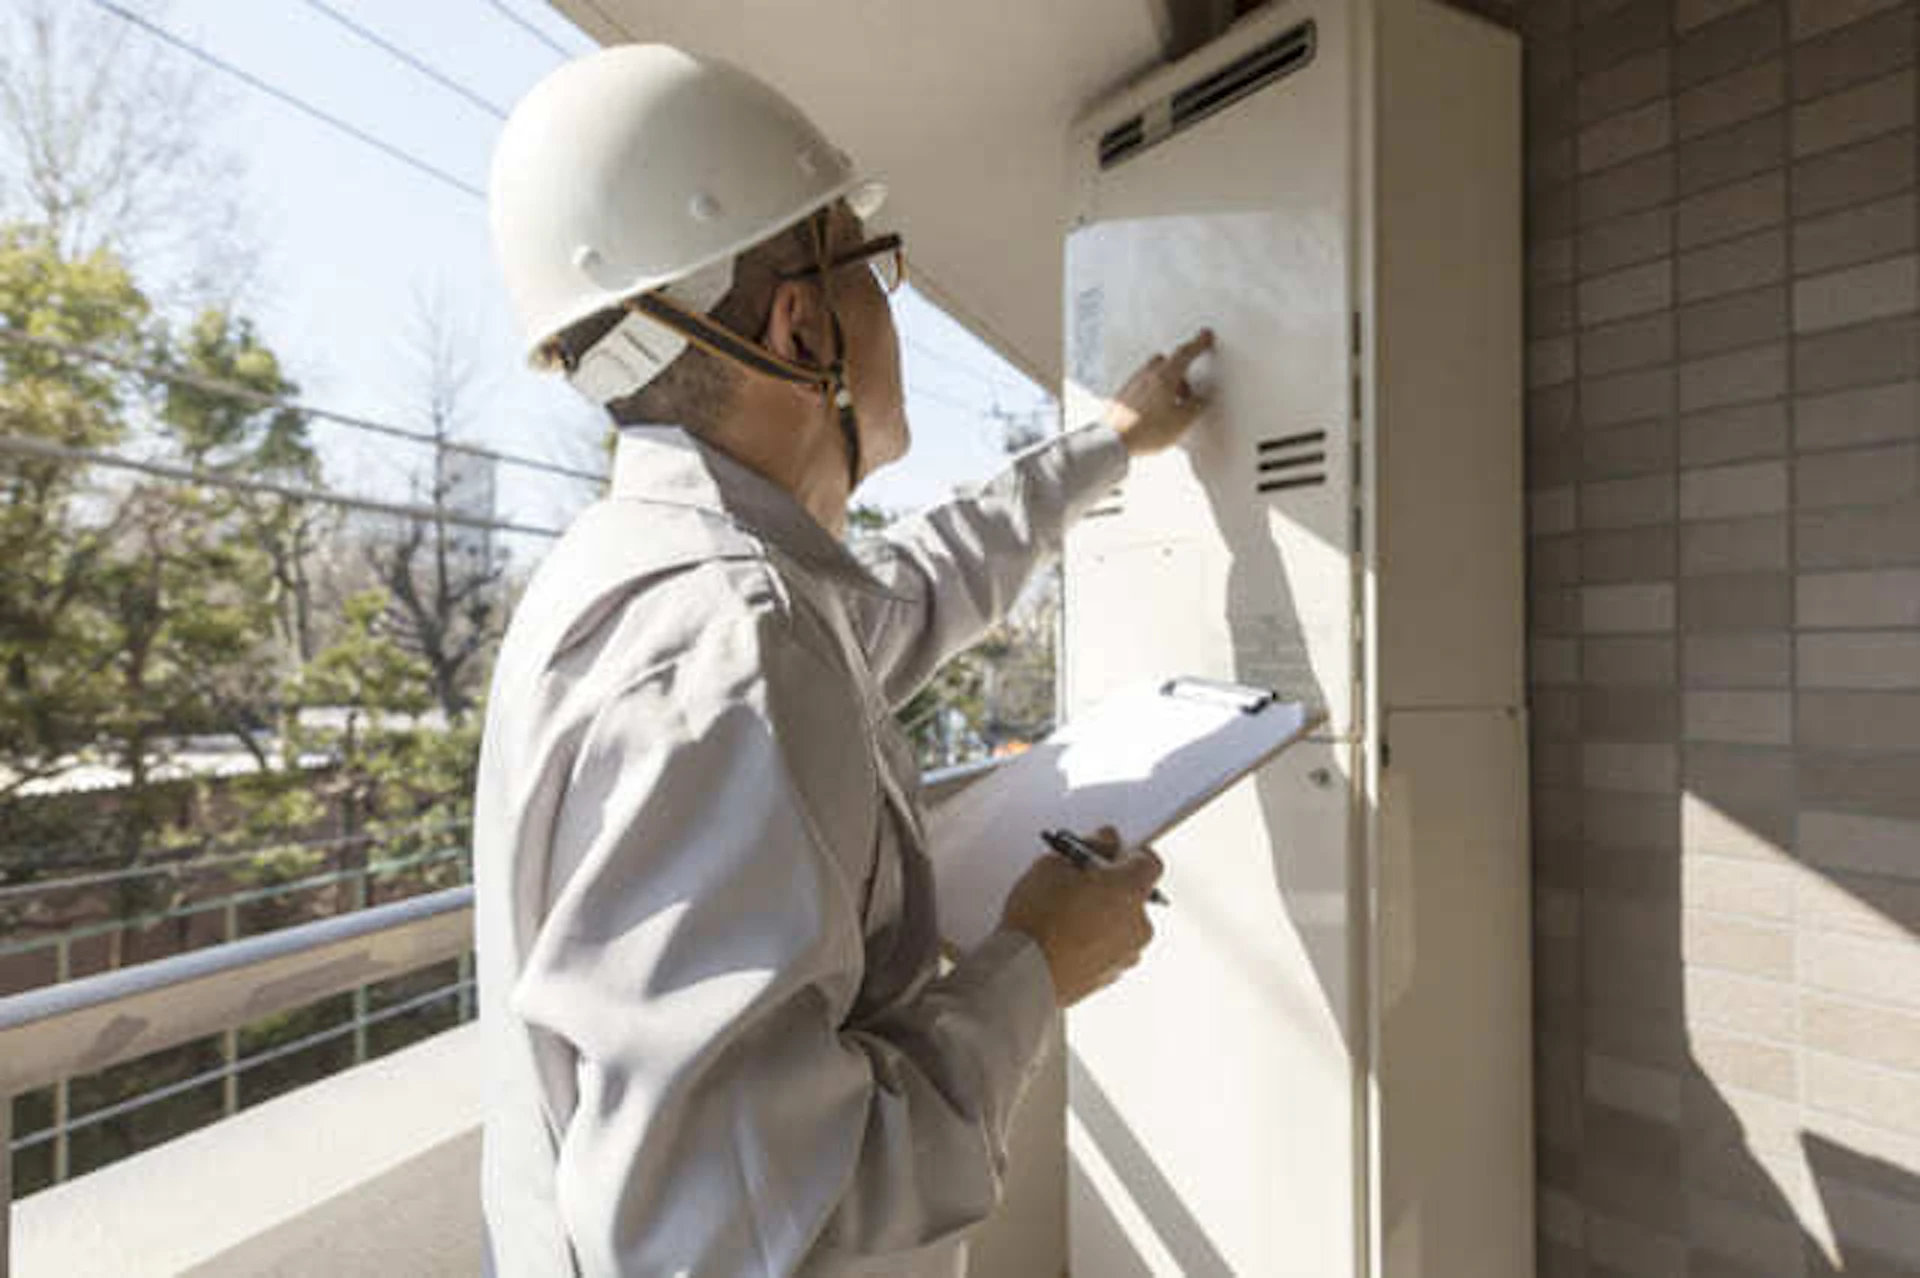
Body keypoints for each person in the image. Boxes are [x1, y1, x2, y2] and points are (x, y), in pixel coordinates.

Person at [476, 43, 1214, 1277]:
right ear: (801, 320)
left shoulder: (658, 579)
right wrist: (1035, 965)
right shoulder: (733, 650)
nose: (892, 304)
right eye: (872, 268)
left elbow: (912, 589)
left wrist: (1108, 445)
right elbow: (717, 1241)